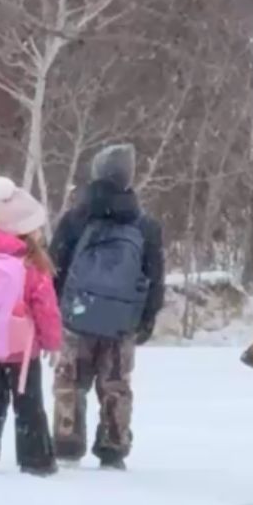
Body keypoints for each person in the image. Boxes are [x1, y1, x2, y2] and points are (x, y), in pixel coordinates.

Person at [49, 142, 166, 470]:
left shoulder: (75, 218)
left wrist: (57, 308)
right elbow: (155, 276)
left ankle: (67, 443)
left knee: (70, 381)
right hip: (122, 322)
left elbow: (55, 266)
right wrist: (147, 317)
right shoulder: (145, 225)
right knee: (115, 383)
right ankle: (113, 446)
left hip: (77, 315)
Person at [0, 177, 63, 475]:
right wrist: (53, 343)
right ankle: (36, 459)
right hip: (22, 349)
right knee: (28, 406)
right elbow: (46, 309)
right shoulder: (31, 265)